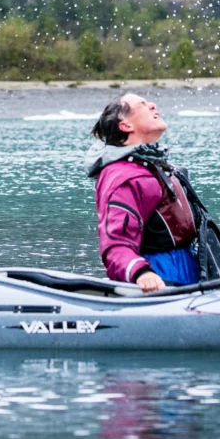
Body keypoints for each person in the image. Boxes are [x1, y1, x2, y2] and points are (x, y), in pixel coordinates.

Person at [85, 93, 202, 293]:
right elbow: (115, 245)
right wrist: (142, 273)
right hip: (158, 281)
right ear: (126, 125)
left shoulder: (158, 168)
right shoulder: (123, 178)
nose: (153, 105)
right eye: (143, 104)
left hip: (188, 272)